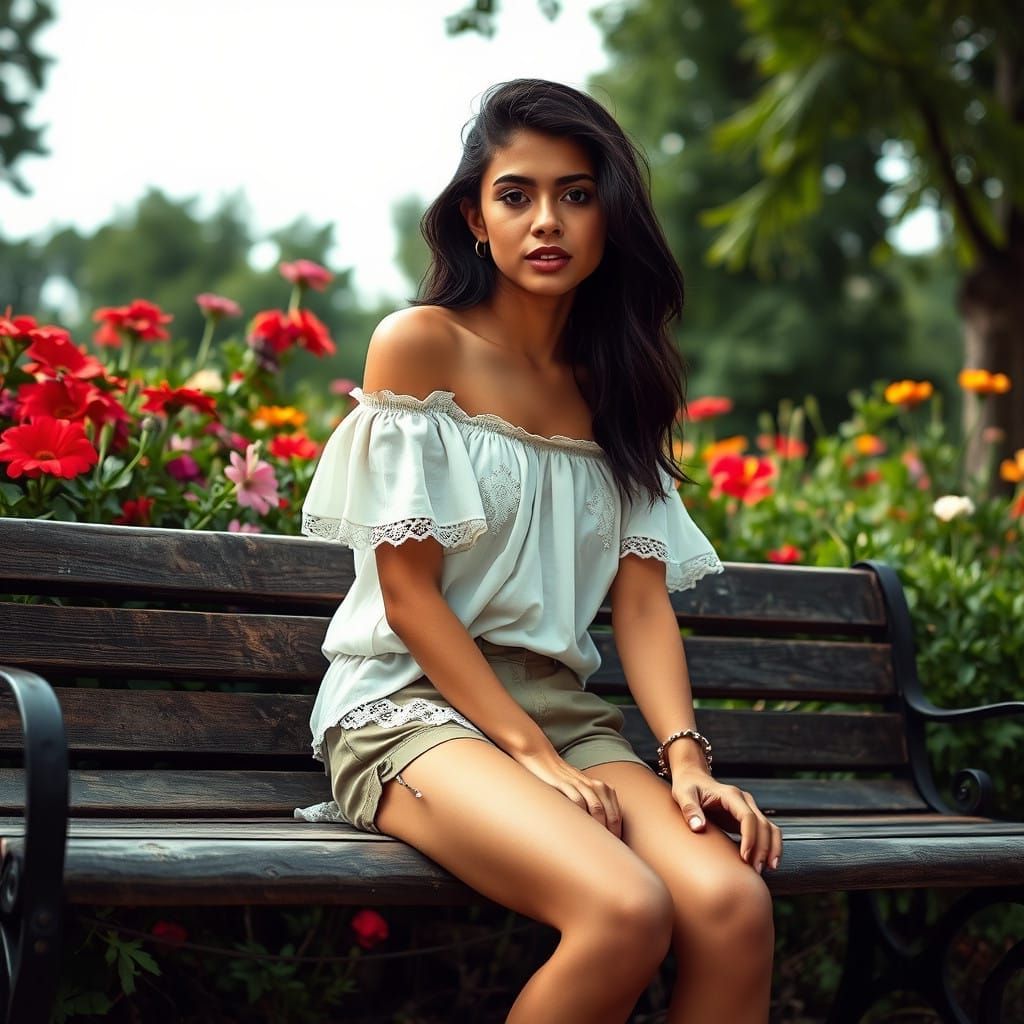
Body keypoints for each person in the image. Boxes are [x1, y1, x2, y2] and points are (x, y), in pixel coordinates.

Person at [294, 77, 781, 1024]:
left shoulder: (622, 385)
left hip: (563, 718)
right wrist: (523, 752)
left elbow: (640, 603)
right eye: (516, 194)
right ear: (476, 217)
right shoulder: (420, 345)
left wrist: (685, 760)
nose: (546, 220)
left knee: (731, 905)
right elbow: (409, 596)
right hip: (409, 712)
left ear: (609, 218)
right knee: (623, 908)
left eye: (577, 193)